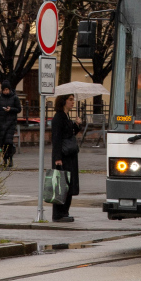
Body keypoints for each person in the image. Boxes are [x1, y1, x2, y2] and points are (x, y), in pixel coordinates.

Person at [51, 94, 81, 222]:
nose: (73, 102)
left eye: (73, 99)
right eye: (70, 100)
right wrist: (57, 158)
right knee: (61, 185)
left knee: (68, 184)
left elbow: (69, 134)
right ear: (63, 101)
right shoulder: (59, 117)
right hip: (63, 156)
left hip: (69, 156)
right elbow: (56, 138)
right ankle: (59, 214)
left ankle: (65, 212)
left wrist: (77, 125)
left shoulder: (66, 117)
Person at [0, 80, 22, 167]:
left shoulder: (15, 98)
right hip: (1, 123)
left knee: (8, 141)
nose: (5, 91)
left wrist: (11, 109)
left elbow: (19, 109)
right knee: (2, 142)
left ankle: (10, 158)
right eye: (4, 90)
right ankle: (5, 159)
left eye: (7, 90)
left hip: (11, 123)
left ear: (9, 89)